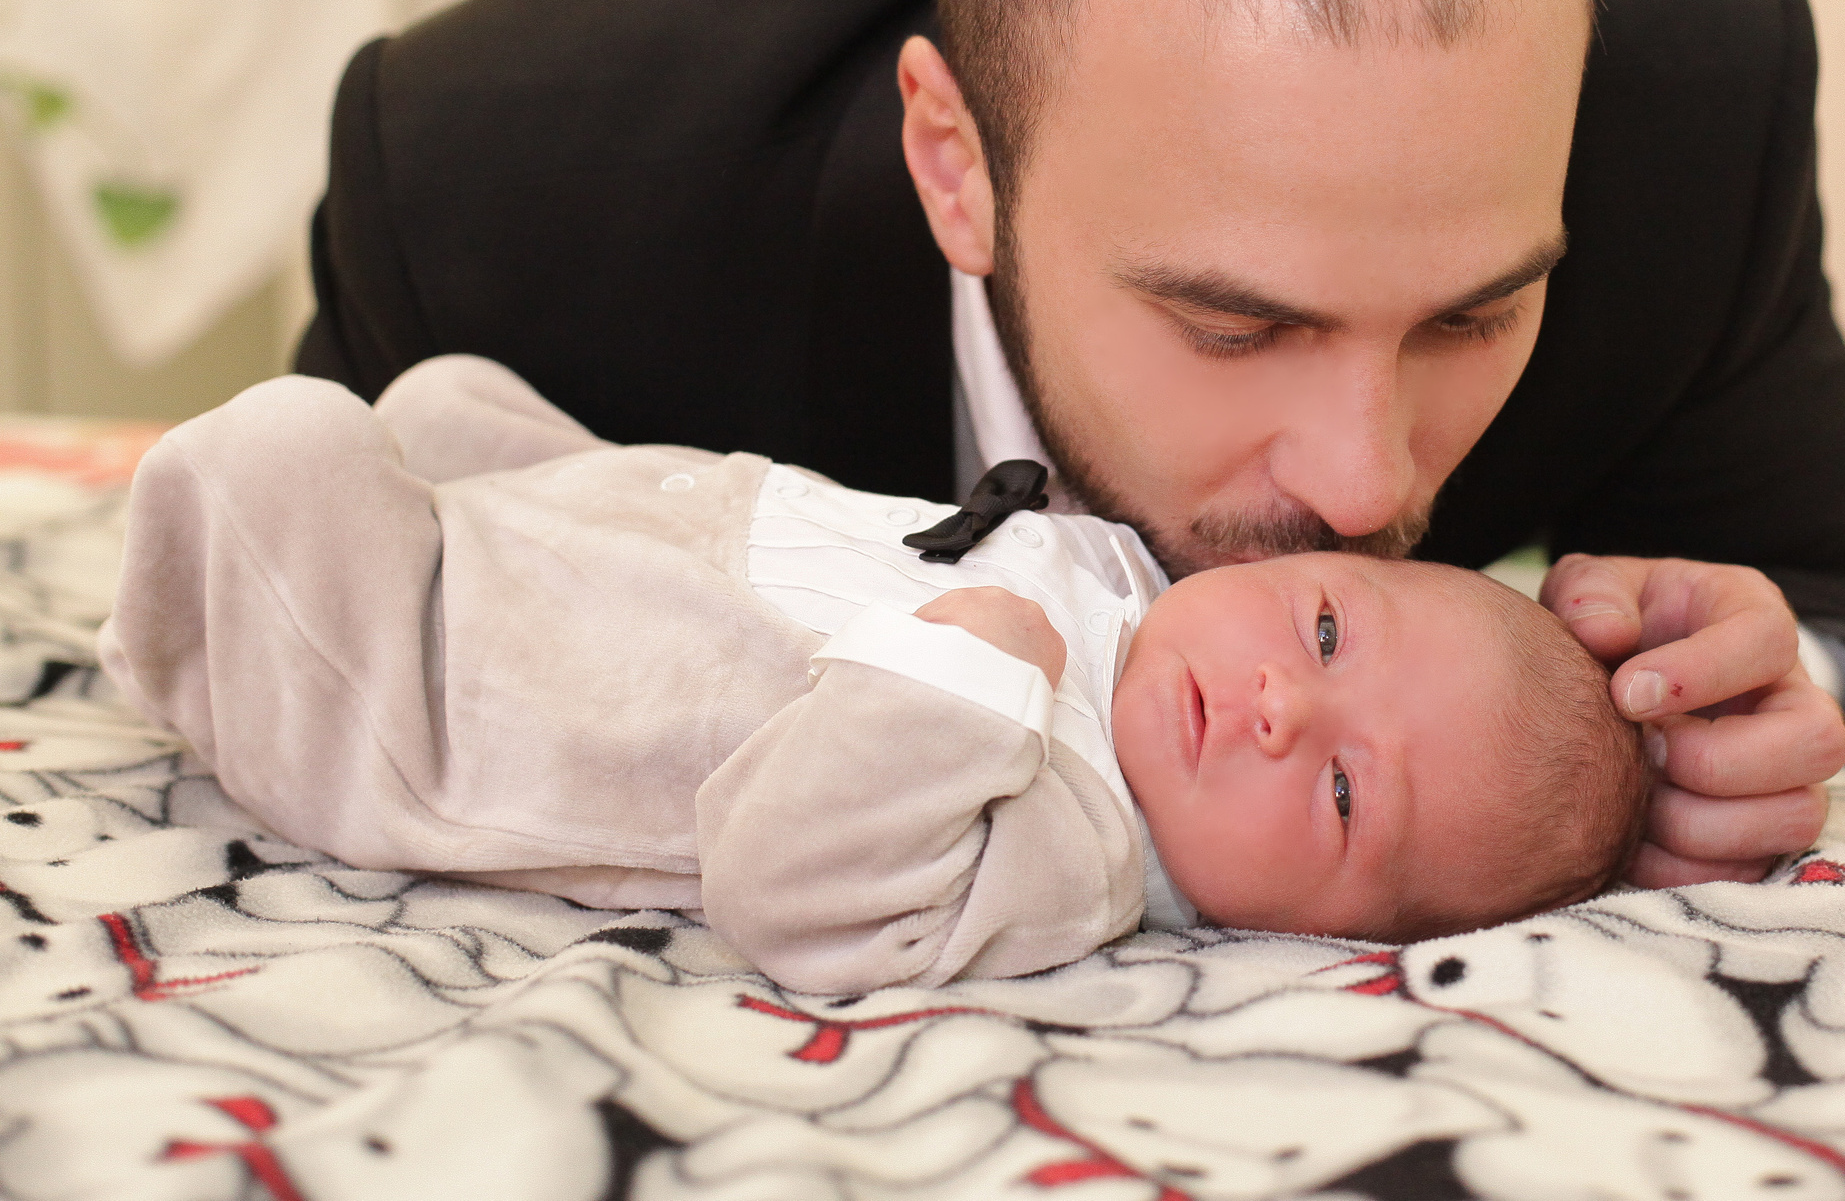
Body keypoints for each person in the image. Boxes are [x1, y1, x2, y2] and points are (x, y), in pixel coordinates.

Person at [293, 0, 1845, 890]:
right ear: (956, 167)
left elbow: (1839, 574)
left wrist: (1760, 686)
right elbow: (302, 611)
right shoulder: (501, 187)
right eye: (1235, 326)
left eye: (1473, 314)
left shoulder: (1692, 100)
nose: (1364, 480)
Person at [99, 356, 1650, 993]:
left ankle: (186, 645)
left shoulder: (1082, 847)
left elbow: (794, 889)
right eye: (1321, 630)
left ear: (1312, 929)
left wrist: (958, 687)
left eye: (1335, 787)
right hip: (600, 541)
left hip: (445, 701)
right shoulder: (1134, 586)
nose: (1276, 703)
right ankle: (461, 509)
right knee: (446, 398)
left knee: (275, 451)